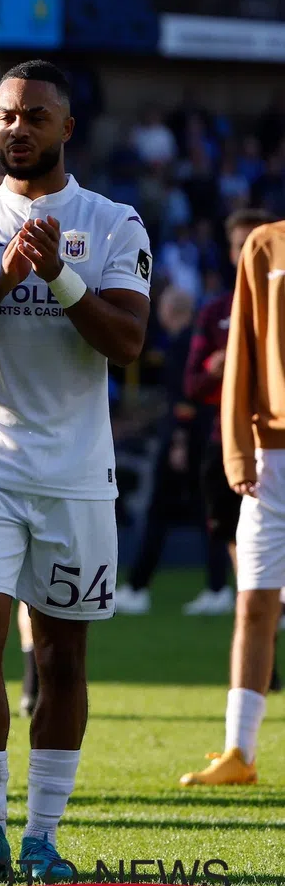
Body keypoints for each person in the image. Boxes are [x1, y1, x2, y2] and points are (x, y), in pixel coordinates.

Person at [0, 60, 150, 878]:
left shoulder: (114, 221)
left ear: (66, 128)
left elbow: (127, 343)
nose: (18, 127)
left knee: (59, 657)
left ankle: (44, 837)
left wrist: (58, 273)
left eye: (35, 116)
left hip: (78, 476)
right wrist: (8, 276)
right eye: (7, 115)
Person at [186, 208, 285, 785]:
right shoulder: (265, 246)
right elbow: (242, 354)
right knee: (253, 603)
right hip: (271, 460)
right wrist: (237, 450)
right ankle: (239, 754)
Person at [170, 210, 274, 621]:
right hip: (227, 445)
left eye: (258, 242)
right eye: (242, 244)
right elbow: (192, 384)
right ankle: (262, 645)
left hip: (274, 442)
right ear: (232, 253)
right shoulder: (215, 313)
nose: (250, 252)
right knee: (239, 547)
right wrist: (215, 367)